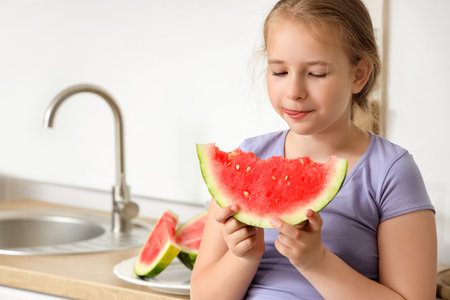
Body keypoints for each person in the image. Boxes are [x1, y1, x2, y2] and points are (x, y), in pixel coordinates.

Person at [190, 0, 437, 299]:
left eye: (317, 74)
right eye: (279, 72)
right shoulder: (247, 159)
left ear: (358, 75)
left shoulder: (390, 171)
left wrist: (316, 262)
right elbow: (202, 295)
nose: (294, 91)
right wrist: (243, 257)